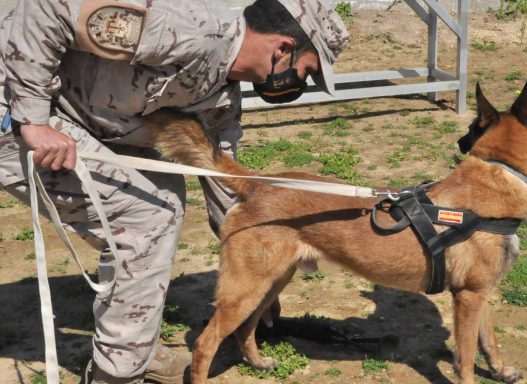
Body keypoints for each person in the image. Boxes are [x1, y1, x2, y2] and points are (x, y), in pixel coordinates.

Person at [0, 0, 348, 382]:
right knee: (146, 215)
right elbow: (45, 8)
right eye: (306, 71)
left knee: (163, 192)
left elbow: (226, 184)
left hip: (82, 118)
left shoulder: (223, 96)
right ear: (283, 49)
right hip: (16, 103)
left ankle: (131, 346)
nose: (300, 83)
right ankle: (116, 373)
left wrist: (261, 264)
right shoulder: (187, 29)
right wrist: (32, 117)